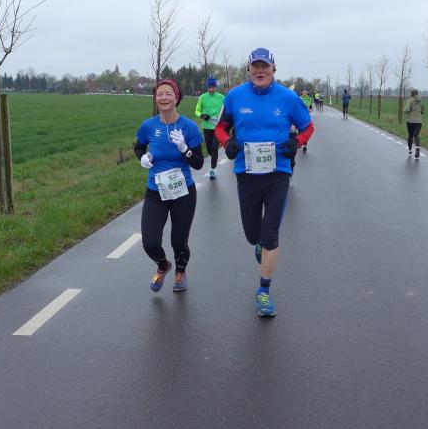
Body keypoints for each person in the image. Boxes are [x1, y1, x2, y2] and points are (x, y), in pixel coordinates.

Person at [215, 47, 314, 317]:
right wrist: (227, 143)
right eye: (255, 66)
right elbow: (220, 127)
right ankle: (258, 242)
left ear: (273, 69)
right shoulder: (235, 96)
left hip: (277, 173)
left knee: (271, 234)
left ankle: (263, 291)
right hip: (246, 173)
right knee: (252, 235)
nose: (260, 71)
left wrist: (296, 142)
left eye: (265, 66)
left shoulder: (288, 98)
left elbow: (307, 126)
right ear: (248, 69)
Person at [134, 79, 204, 292]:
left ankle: (180, 272)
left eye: (168, 94)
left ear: (176, 98)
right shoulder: (148, 126)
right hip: (156, 191)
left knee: (178, 242)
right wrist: (143, 158)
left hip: (183, 192)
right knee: (150, 242)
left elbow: (198, 163)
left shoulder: (189, 127)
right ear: (155, 99)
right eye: (159, 94)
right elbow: (138, 147)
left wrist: (184, 149)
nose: (163, 98)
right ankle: (163, 265)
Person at [194, 77, 226, 179]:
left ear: (216, 87)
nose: (211, 89)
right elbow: (197, 111)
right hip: (207, 127)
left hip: (218, 127)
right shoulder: (202, 97)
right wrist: (202, 115)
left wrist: (224, 118)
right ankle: (214, 159)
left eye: (213, 87)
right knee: (209, 150)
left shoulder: (221, 97)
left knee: (214, 146)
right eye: (209, 87)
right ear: (207, 87)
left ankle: (212, 169)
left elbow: (226, 110)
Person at [403, 89, 424, 158]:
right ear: (417, 93)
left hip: (410, 121)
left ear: (411, 94)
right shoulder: (420, 101)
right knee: (416, 135)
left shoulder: (410, 100)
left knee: (410, 135)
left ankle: (410, 150)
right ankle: (417, 148)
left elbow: (406, 110)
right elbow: (422, 110)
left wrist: (404, 110)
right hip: (419, 121)